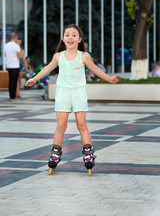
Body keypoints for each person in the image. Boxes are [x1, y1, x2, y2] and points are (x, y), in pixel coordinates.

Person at [25, 24, 119, 175]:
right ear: (63, 38)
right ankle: (55, 153)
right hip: (63, 93)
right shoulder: (58, 56)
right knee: (61, 126)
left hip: (78, 93)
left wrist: (109, 78)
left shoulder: (84, 56)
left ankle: (88, 153)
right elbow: (47, 68)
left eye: (74, 35)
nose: (70, 37)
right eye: (67, 35)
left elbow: (95, 69)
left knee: (82, 125)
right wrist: (34, 79)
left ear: (79, 39)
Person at [4, 33, 22, 100]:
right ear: (16, 38)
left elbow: (5, 55)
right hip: (15, 65)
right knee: (14, 81)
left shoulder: (6, 45)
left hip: (8, 65)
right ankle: (13, 95)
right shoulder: (16, 46)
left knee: (10, 80)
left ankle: (10, 94)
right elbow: (20, 56)